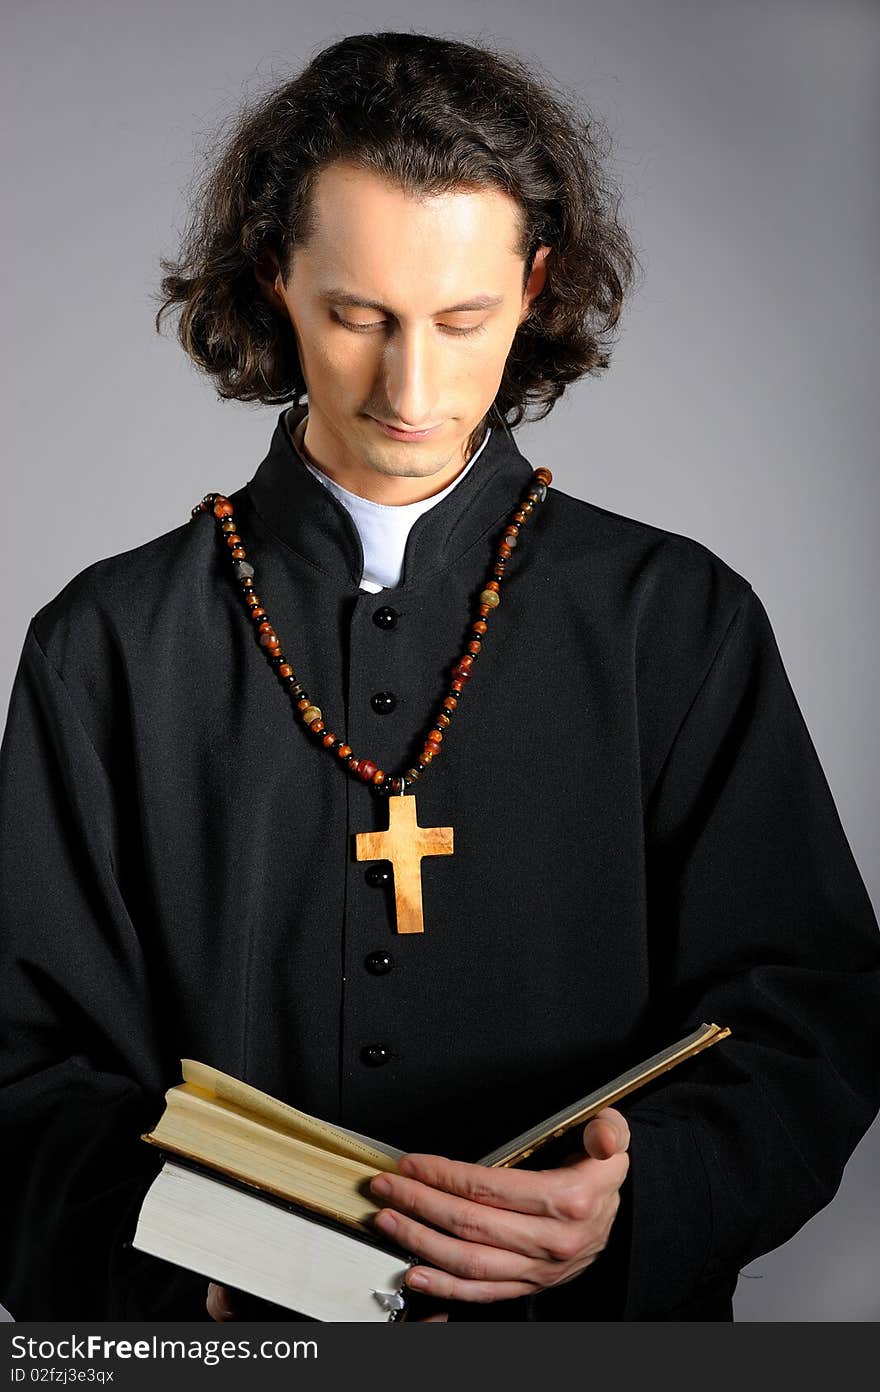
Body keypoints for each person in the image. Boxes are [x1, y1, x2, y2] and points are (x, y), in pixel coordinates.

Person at [2, 31, 879, 1325]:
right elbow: (19, 1071)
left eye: (462, 320)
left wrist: (636, 1202)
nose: (411, 390)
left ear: (534, 288)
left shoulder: (675, 621)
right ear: (275, 282)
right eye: (358, 316)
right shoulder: (107, 645)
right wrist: (183, 1263)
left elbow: (810, 1016)